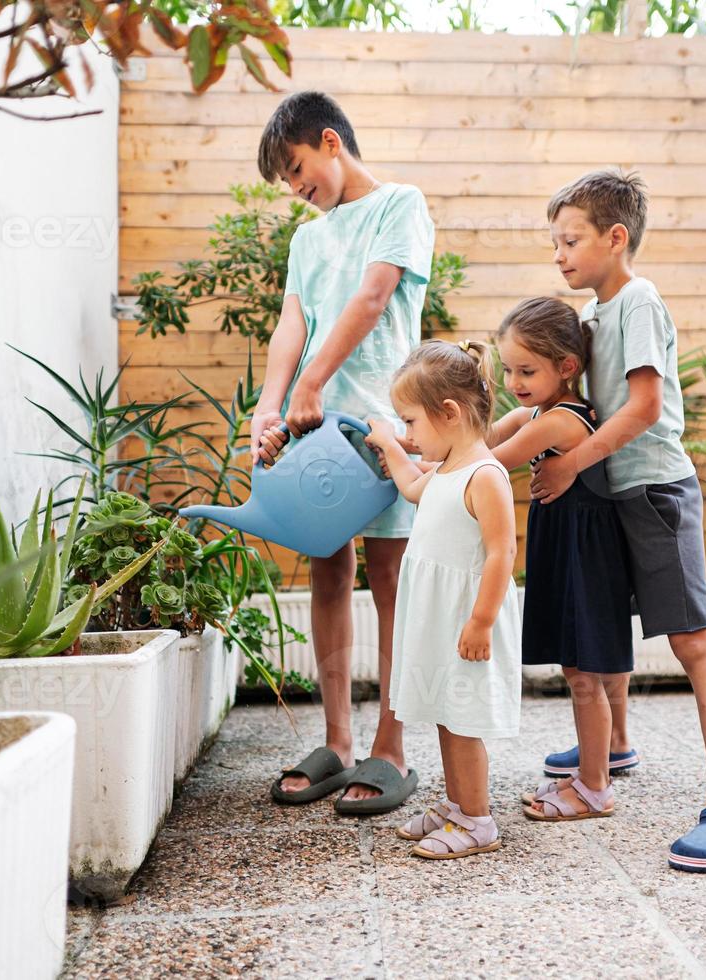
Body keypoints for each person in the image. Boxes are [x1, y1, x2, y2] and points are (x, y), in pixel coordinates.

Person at [530, 169, 706, 872]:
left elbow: (643, 408)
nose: (560, 254)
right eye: (556, 242)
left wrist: (569, 464)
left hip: (655, 492)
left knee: (693, 640)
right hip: (610, 492)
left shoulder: (638, 302)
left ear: (615, 237)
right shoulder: (598, 313)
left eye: (571, 240)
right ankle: (616, 742)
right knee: (606, 623)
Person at [255, 91, 434, 815]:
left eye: (300, 170)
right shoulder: (307, 239)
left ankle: (391, 746)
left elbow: (370, 298)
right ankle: (338, 740)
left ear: (331, 142)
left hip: (387, 426)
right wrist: (273, 407)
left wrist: (314, 382)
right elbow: (289, 326)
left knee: (391, 583)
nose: (299, 190)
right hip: (314, 427)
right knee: (327, 573)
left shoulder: (400, 205)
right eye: (289, 185)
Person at [365, 341, 521, 859]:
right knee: (443, 712)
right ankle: (457, 806)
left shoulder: (485, 475)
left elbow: (502, 554)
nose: (409, 437)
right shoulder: (448, 468)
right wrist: (388, 443)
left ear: (449, 413)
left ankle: (477, 820)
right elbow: (411, 486)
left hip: (467, 620)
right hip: (438, 619)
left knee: (463, 720)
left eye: (411, 423)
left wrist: (481, 621)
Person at [485, 297, 632, 822]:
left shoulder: (562, 421)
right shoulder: (538, 411)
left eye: (527, 370)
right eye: (507, 369)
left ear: (566, 368)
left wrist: (416, 467)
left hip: (585, 557)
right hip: (564, 546)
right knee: (583, 668)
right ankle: (596, 767)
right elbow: (483, 437)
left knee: (583, 671)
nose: (514, 381)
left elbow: (490, 460)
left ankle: (594, 787)